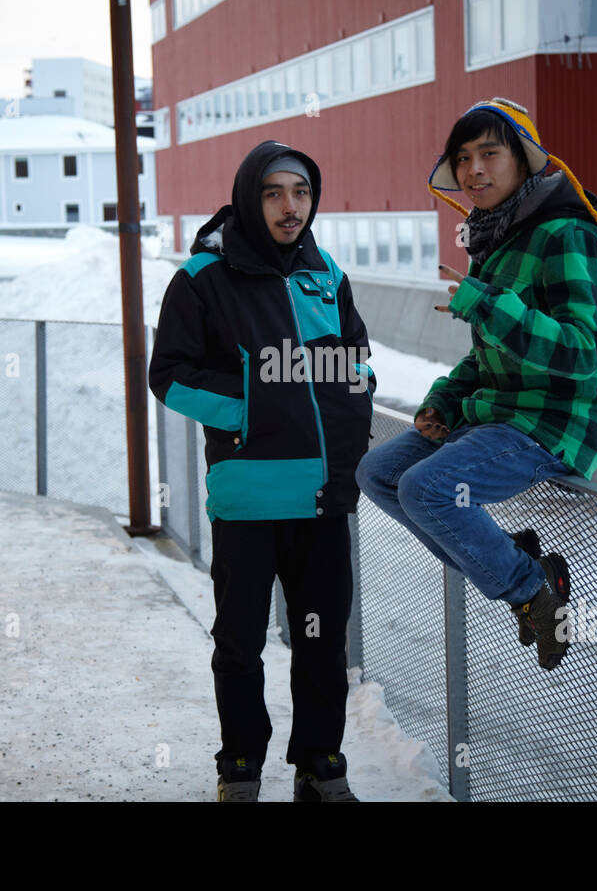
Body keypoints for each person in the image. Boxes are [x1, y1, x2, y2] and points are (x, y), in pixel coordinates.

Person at [355, 97, 597, 671]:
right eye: (462, 158)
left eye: (489, 153)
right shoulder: (498, 241)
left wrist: (489, 305)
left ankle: (530, 590)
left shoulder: (565, 236)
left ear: (524, 161)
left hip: (553, 421)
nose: (473, 169)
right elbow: (490, 359)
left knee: (426, 488)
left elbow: (582, 353)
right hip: (500, 412)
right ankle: (524, 568)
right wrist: (445, 401)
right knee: (379, 473)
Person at [148, 140, 375, 802]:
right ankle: (240, 770)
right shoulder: (202, 279)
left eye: (301, 192)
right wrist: (252, 405)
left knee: (323, 643)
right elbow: (170, 376)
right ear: (251, 196)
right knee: (241, 643)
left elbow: (354, 360)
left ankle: (320, 767)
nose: (289, 206)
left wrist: (354, 393)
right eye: (275, 192)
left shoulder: (325, 275)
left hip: (323, 496)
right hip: (250, 496)